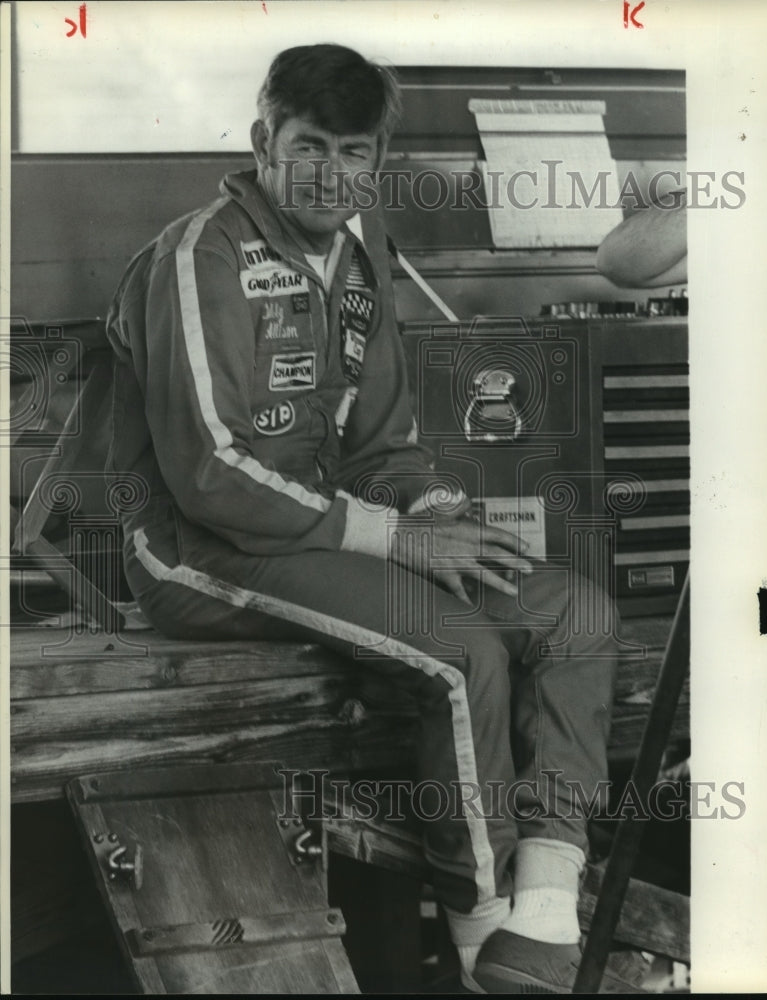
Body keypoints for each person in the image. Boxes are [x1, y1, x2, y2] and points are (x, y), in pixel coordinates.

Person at [106, 44, 622, 993]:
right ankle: (482, 941)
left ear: (376, 162)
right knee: (463, 649)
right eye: (309, 147)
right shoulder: (198, 255)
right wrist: (396, 539)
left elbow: (384, 444)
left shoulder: (356, 254)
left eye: (354, 154)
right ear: (264, 140)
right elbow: (208, 475)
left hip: (328, 533)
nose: (330, 175)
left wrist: (437, 514)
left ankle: (544, 903)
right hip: (197, 552)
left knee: (575, 613)